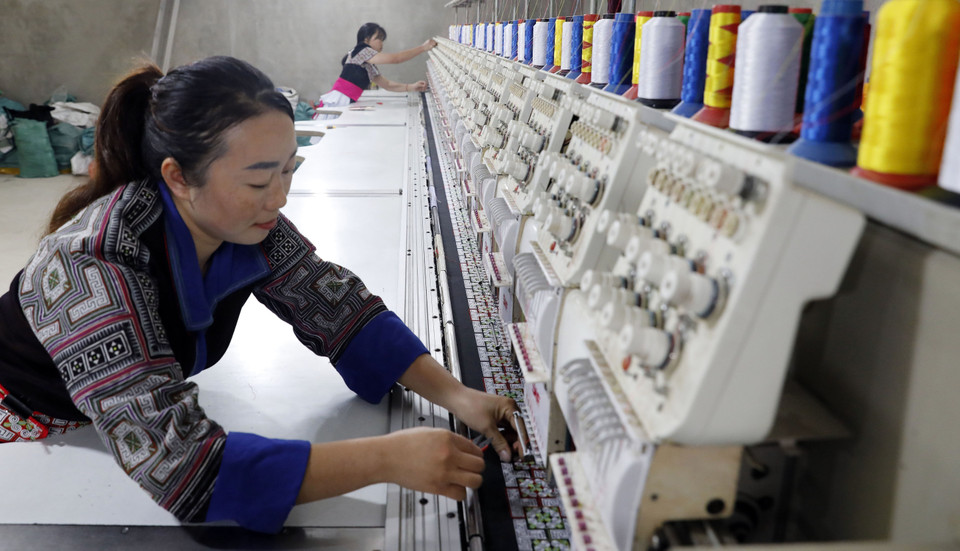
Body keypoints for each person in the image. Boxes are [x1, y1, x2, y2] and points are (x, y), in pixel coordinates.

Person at [0, 56, 523, 534]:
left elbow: (339, 309)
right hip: (27, 426)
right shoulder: (95, 262)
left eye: (288, 170)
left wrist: (459, 396)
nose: (279, 197)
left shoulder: (245, 224)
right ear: (179, 176)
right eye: (257, 181)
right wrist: (388, 460)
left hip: (101, 418)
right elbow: (183, 466)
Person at [318, 22, 437, 111]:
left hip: (345, 100)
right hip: (339, 100)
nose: (381, 42)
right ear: (366, 39)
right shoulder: (362, 51)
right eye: (378, 38)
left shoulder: (366, 63)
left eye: (382, 39)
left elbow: (388, 85)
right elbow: (396, 59)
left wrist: (411, 87)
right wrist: (423, 48)